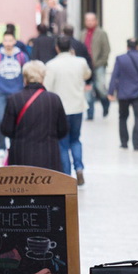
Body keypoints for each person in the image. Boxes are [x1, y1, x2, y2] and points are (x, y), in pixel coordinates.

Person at [0, 60, 68, 172]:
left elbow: (6, 129)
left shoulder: (14, 99)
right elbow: (63, 130)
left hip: (20, 157)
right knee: (47, 189)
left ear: (25, 78)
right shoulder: (54, 99)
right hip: (49, 157)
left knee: (22, 189)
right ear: (43, 77)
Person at [44, 35, 92, 184]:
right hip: (77, 106)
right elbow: (87, 74)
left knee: (62, 143)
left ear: (57, 47)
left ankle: (66, 175)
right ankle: (79, 168)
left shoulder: (51, 65)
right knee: (76, 139)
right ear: (71, 47)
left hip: (60, 110)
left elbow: (47, 87)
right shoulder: (80, 62)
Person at [0, 31, 30, 157]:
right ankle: (1, 146)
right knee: (0, 119)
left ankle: (15, 144)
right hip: (2, 93)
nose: (8, 43)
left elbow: (27, 75)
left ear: (15, 41)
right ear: (2, 42)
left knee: (19, 120)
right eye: (6, 41)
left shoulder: (22, 56)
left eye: (11, 40)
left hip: (18, 93)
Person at [108, 38, 138, 151]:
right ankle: (136, 143)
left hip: (123, 93)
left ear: (127, 47)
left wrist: (110, 92)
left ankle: (124, 142)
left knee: (123, 117)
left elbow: (115, 76)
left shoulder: (120, 59)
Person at [83, 12, 111, 120]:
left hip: (99, 65)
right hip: (86, 66)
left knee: (100, 87)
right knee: (88, 90)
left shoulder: (101, 33)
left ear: (96, 21)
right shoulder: (83, 33)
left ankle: (105, 103)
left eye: (92, 20)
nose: (90, 22)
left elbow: (106, 50)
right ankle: (90, 113)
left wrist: (99, 62)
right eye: (87, 20)